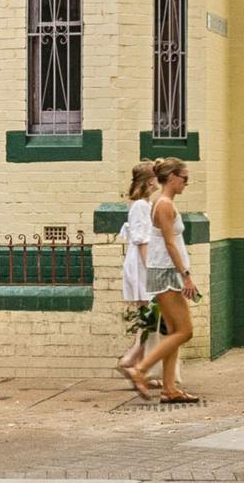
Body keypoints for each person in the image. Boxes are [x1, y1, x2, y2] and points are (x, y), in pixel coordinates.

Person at [126, 157, 199, 404]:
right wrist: (186, 276)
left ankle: (169, 389)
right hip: (166, 273)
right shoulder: (165, 205)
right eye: (184, 178)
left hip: (164, 272)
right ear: (172, 177)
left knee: (174, 332)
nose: (186, 183)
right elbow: (169, 243)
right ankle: (140, 369)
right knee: (185, 331)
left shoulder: (161, 203)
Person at [115, 161, 158, 382]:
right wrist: (152, 270)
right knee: (150, 316)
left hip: (141, 262)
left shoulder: (143, 204)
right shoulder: (141, 205)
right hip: (142, 265)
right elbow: (142, 241)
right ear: (150, 181)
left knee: (148, 316)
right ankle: (132, 362)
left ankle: (138, 365)